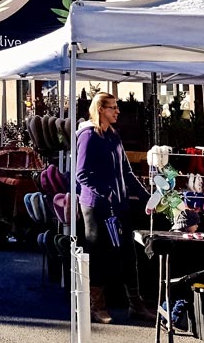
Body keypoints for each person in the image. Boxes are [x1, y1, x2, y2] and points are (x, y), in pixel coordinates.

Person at [75, 92, 154, 324]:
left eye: (117, 107)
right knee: (98, 254)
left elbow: (127, 172)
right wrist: (106, 193)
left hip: (119, 204)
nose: (117, 111)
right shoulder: (88, 135)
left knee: (129, 253)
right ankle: (96, 305)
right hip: (95, 205)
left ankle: (135, 304)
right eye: (113, 108)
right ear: (100, 109)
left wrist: (146, 196)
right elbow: (81, 174)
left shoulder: (113, 135)